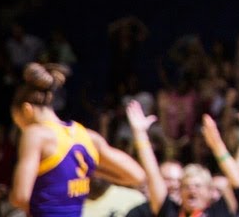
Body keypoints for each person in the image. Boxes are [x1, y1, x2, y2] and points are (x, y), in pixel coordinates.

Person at [10, 64, 144, 217]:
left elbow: (20, 196)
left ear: (27, 110)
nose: (22, 130)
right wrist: (89, 170)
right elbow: (137, 176)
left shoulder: (35, 134)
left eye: (19, 124)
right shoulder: (87, 136)